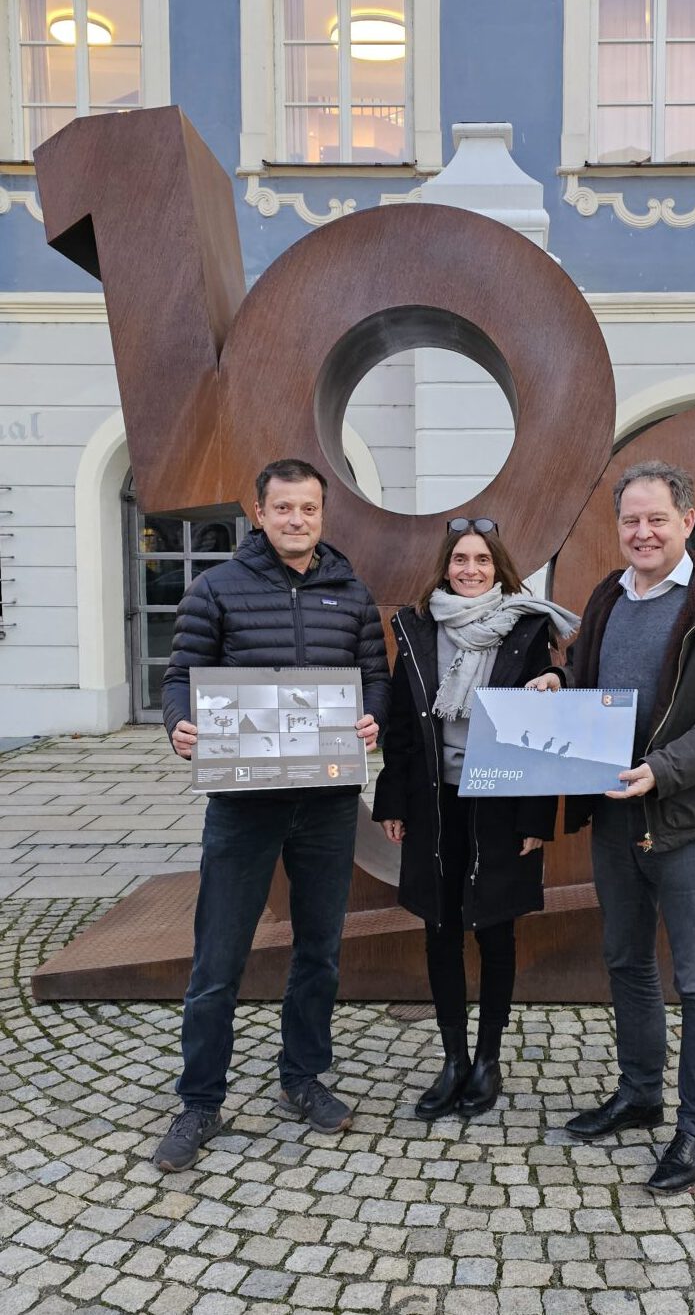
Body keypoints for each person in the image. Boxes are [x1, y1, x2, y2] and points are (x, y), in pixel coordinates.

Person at [529, 461, 695, 1192]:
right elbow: (598, 678)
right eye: (630, 520)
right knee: (626, 962)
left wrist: (663, 769)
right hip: (612, 808)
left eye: (655, 519)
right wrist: (560, 683)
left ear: (686, 521)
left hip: (684, 816)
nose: (641, 532)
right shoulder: (608, 594)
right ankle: (639, 1094)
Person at [153, 458, 390, 1172]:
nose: (296, 520)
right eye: (283, 508)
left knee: (318, 949)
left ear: (323, 514)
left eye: (308, 509)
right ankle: (199, 1100)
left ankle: (301, 1077)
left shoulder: (349, 591)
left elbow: (373, 674)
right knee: (218, 957)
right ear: (259, 512)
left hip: (325, 803)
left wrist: (374, 715)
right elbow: (180, 677)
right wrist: (179, 727)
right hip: (243, 805)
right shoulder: (216, 588)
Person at [372, 518, 579, 1120]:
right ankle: (454, 1058)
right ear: (445, 566)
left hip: (504, 801)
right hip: (434, 799)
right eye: (460, 559)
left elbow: (545, 721)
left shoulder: (527, 624)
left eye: (482, 561)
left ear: (499, 568)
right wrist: (392, 800)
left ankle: (488, 1060)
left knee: (494, 930)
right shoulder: (416, 627)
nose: (470, 569)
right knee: (440, 927)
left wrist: (538, 816)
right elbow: (405, 727)